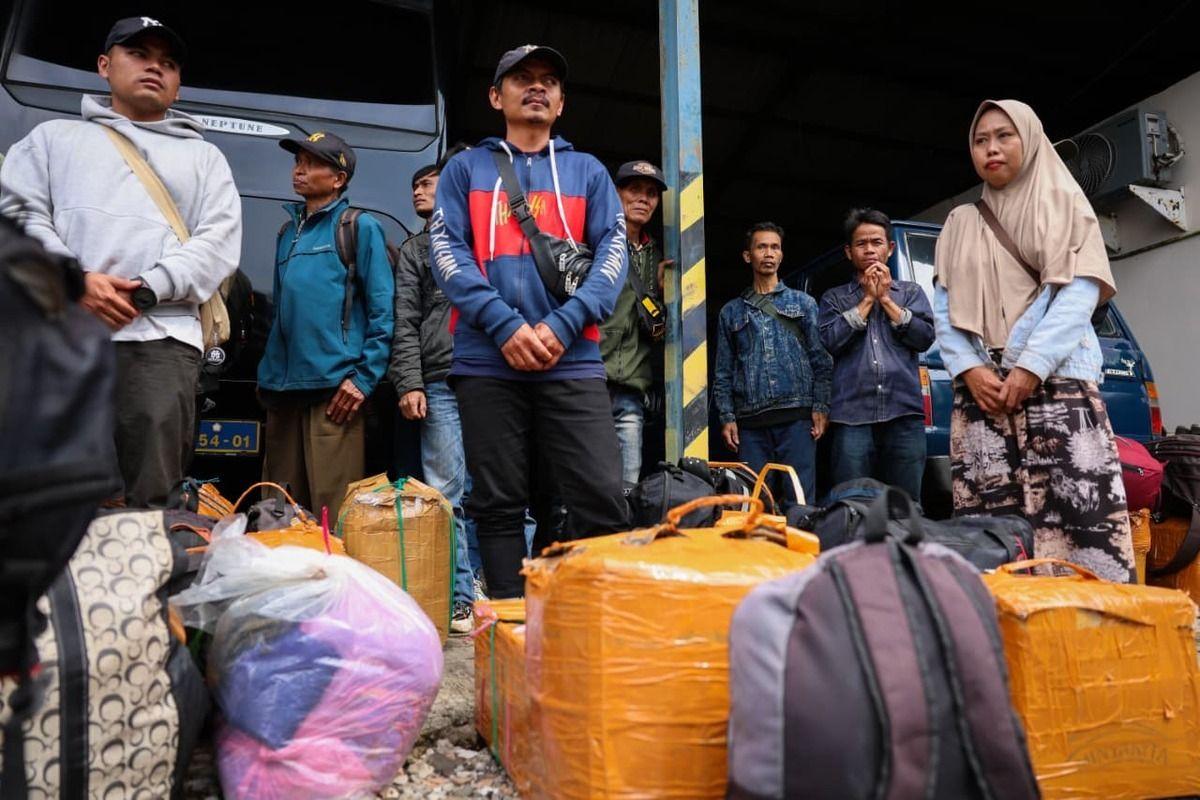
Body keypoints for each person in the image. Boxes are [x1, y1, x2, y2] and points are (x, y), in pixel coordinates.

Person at [0, 16, 241, 508]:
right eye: (139, 55)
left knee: (149, 500)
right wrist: (76, 283)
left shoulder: (206, 158)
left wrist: (147, 289)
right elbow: (16, 218)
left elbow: (219, 243)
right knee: (48, 494)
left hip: (160, 344)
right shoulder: (51, 139)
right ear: (105, 66)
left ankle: (141, 586)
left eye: (168, 63)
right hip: (61, 337)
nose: (155, 67)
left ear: (177, 84)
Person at [429, 44, 630, 598]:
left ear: (561, 103)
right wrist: (504, 325)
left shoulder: (588, 172)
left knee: (600, 497)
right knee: (496, 503)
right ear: (497, 97)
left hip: (574, 360)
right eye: (522, 79)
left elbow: (615, 257)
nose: (537, 87)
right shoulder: (464, 169)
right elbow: (447, 251)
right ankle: (514, 630)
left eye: (548, 82)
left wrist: (563, 325)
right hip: (487, 362)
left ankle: (595, 623)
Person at [933, 99, 1135, 583]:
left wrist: (1029, 367)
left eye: (1005, 136)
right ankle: (1006, 633)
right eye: (981, 141)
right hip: (982, 395)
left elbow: (1079, 292)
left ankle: (1095, 634)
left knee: (1079, 519)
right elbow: (943, 305)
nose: (992, 149)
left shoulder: (1064, 202)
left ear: (1031, 138)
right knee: (992, 523)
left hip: (1057, 386)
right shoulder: (960, 222)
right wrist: (970, 368)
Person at [257, 131, 394, 521]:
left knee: (329, 515)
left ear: (338, 178)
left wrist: (363, 379)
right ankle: (281, 583)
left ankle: (331, 584)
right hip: (282, 392)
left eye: (311, 163)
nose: (299, 170)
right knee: (277, 512)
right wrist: (268, 373)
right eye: (297, 161)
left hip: (334, 392)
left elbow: (385, 311)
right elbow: (281, 310)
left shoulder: (358, 227)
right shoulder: (287, 232)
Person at [389, 148, 483, 633]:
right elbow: (402, 320)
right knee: (446, 492)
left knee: (502, 490)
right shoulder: (417, 249)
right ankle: (460, 597)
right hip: (442, 379)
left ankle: (495, 588)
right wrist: (409, 381)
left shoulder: (494, 233)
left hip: (495, 378)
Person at [818, 208, 935, 500]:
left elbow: (924, 338)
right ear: (848, 252)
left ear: (890, 247)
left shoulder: (910, 293)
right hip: (852, 419)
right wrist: (869, 299)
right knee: (852, 503)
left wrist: (885, 298)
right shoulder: (834, 298)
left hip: (904, 414)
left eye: (876, 242)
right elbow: (830, 341)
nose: (869, 249)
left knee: (907, 505)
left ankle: (904, 548)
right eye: (861, 244)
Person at [714, 222, 832, 506]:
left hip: (796, 418)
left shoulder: (804, 303)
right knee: (754, 503)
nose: (769, 253)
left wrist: (821, 406)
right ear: (748, 256)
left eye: (775, 247)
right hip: (751, 425)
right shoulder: (731, 312)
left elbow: (821, 359)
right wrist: (727, 417)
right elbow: (723, 371)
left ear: (781, 255)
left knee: (800, 502)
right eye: (761, 247)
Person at [599, 160, 670, 486]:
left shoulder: (663, 258)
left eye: (651, 193)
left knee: (629, 489)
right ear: (616, 193)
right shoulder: (594, 243)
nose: (643, 198)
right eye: (634, 189)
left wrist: (663, 296)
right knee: (579, 487)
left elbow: (660, 333)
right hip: (590, 382)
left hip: (632, 391)